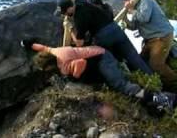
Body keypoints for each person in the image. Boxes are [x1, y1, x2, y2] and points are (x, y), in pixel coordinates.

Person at [22, 41, 177, 113]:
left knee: (120, 86)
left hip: (103, 57)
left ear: (50, 64)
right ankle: (151, 104)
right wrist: (28, 44)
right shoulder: (51, 51)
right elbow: (41, 47)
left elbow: (81, 63)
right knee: (111, 86)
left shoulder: (63, 58)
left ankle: (164, 99)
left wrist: (74, 77)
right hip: (95, 63)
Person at [55, 0, 153, 75]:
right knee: (133, 56)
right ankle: (152, 78)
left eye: (65, 12)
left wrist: (70, 28)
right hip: (115, 28)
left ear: (70, 8)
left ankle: (120, 80)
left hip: (103, 36)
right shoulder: (81, 2)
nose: (65, 15)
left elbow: (79, 43)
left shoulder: (79, 17)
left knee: (107, 60)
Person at [121, 0, 177, 92]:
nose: (126, 2)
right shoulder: (136, 7)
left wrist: (132, 11)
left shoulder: (146, 0)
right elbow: (134, 26)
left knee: (156, 64)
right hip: (150, 40)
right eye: (124, 0)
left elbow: (144, 18)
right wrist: (126, 18)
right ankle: (154, 84)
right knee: (140, 61)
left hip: (162, 36)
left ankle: (174, 83)